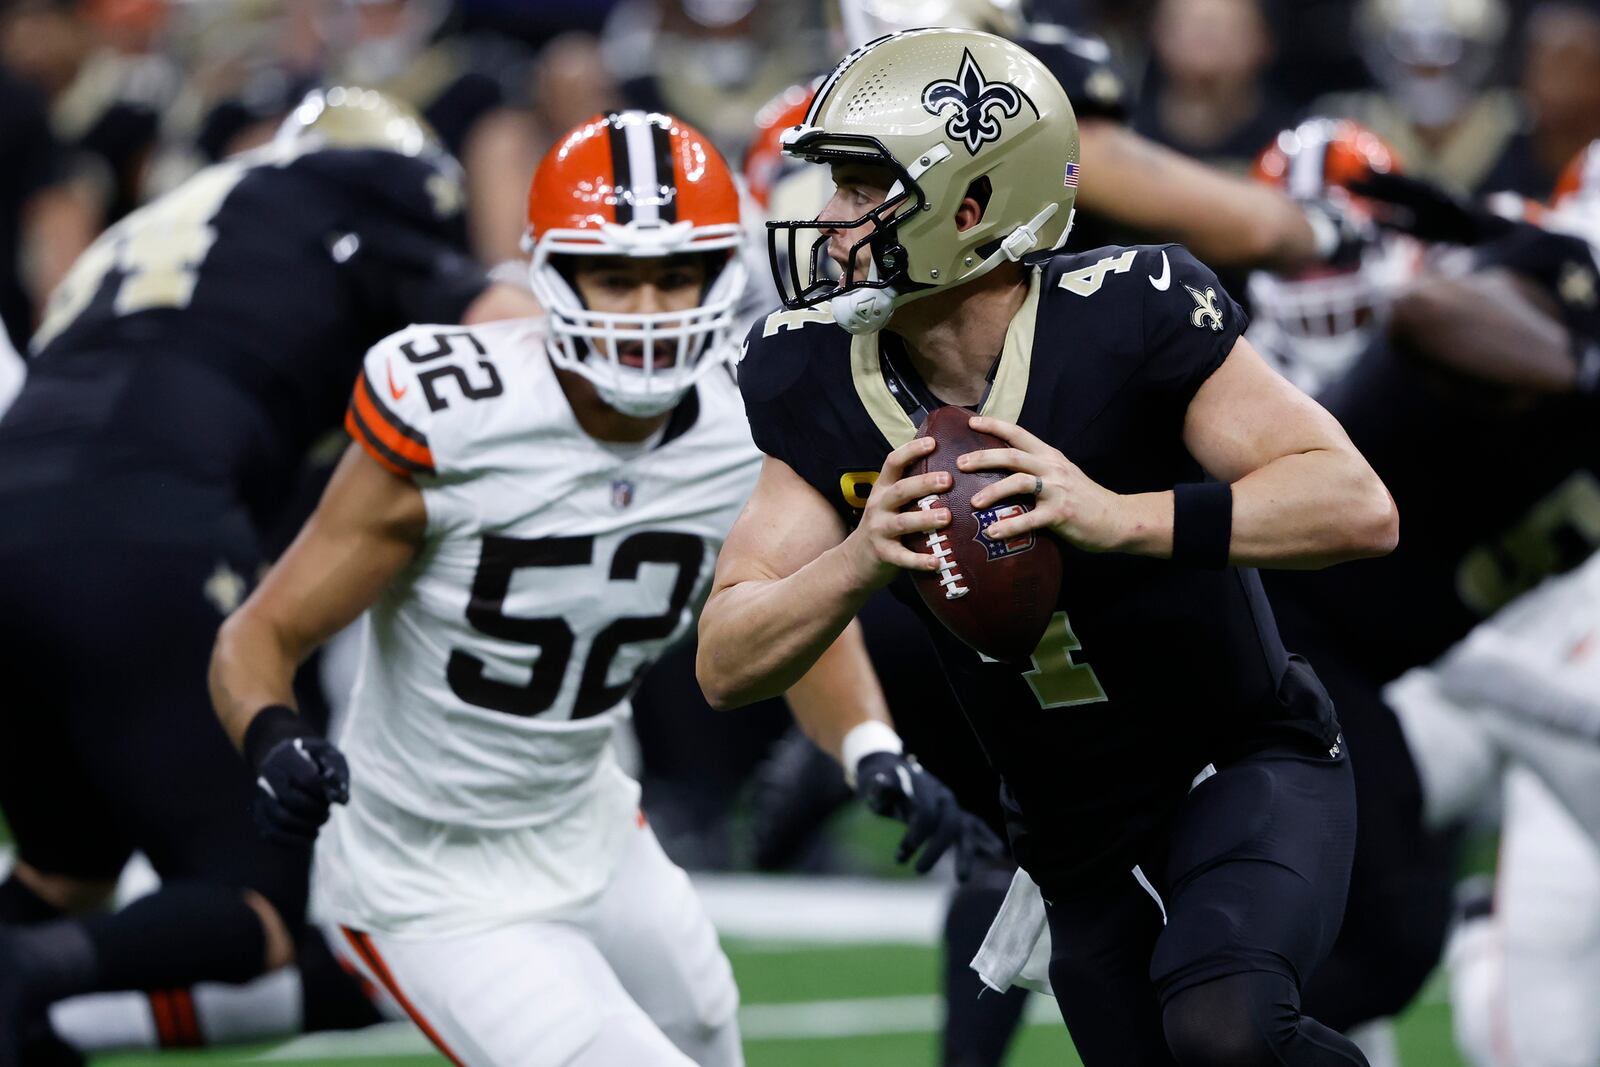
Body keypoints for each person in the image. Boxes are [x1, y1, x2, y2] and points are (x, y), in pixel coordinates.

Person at [206, 106, 992, 1067]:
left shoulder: (737, 424)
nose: (650, 309)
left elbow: (781, 606)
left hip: (589, 823)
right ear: (552, 275)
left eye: (675, 275)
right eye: (615, 278)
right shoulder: (455, 422)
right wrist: (274, 737)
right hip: (427, 872)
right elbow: (258, 635)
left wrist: (868, 746)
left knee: (709, 1033)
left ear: (721, 274)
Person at [701, 27, 1397, 1067]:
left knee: (1225, 1030)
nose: (827, 220)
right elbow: (726, 657)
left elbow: (1354, 503)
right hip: (1072, 840)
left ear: (970, 207)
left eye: (860, 187)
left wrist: (1117, 515)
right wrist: (858, 560)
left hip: (1235, 763)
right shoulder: (816, 378)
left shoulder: (1126, 313)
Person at [0, 87, 538, 1065]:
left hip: (20, 504)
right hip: (144, 523)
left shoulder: (189, 218)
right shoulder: (366, 194)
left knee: (65, 869)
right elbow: (502, 327)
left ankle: (31, 990)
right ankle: (24, 980)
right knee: (272, 907)